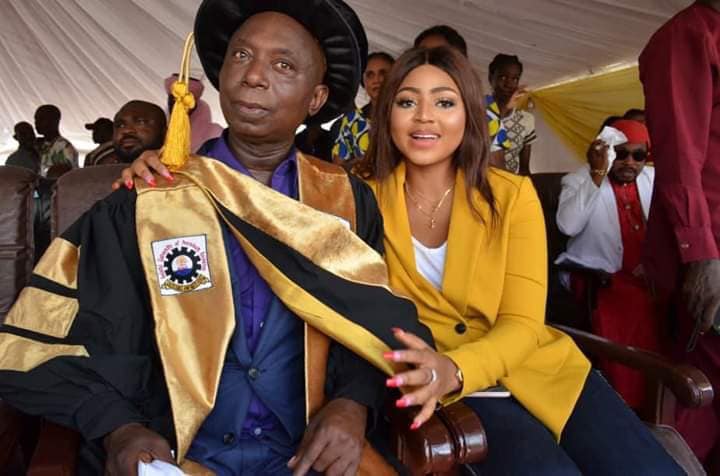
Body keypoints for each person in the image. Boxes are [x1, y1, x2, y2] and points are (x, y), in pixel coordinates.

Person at [0, 1, 431, 475]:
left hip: (309, 454)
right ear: (221, 74)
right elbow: (70, 336)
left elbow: (376, 325)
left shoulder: (345, 202)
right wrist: (120, 427)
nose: (254, 76)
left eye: (283, 65)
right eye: (241, 56)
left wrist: (354, 403)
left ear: (315, 98)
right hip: (178, 454)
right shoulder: (149, 201)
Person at [359, 46, 682, 475]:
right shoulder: (360, 198)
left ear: (469, 114)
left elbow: (524, 323)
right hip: (454, 392)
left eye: (444, 102)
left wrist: (456, 368)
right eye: (406, 102)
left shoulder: (512, 196)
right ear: (387, 114)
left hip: (539, 369)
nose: (424, 117)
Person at [640, 0, 720, 470]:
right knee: (699, 402)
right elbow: (679, 159)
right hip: (710, 256)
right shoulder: (686, 36)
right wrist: (701, 255)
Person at [555, 119, 660, 409]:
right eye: (621, 153)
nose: (630, 162)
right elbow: (567, 225)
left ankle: (667, 397)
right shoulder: (580, 179)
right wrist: (597, 174)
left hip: (647, 273)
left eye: (638, 155)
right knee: (635, 303)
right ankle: (628, 401)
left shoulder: (652, 178)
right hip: (596, 274)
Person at [414, 25, 512, 169]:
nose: (428, 62)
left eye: (439, 57)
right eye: (421, 56)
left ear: (461, 63)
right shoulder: (404, 108)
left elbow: (497, 172)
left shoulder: (485, 111)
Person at [330, 52, 395, 167]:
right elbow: (338, 167)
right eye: (370, 75)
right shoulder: (352, 120)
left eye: (383, 73)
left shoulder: (407, 114)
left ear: (395, 76)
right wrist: (361, 162)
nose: (376, 80)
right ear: (363, 81)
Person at [487, 54, 536, 175]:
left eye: (515, 79)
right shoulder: (477, 109)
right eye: (503, 77)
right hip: (479, 183)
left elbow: (524, 170)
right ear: (490, 78)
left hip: (510, 184)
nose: (509, 84)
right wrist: (506, 108)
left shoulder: (526, 119)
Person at [164, 73, 224, 152]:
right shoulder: (159, 125)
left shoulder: (214, 134)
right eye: (173, 98)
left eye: (185, 99)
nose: (177, 103)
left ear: (194, 104)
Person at [34, 104, 78, 176]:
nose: (36, 123)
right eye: (36, 119)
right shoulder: (41, 145)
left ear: (54, 121)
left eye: (41, 119)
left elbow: (68, 177)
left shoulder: (64, 148)